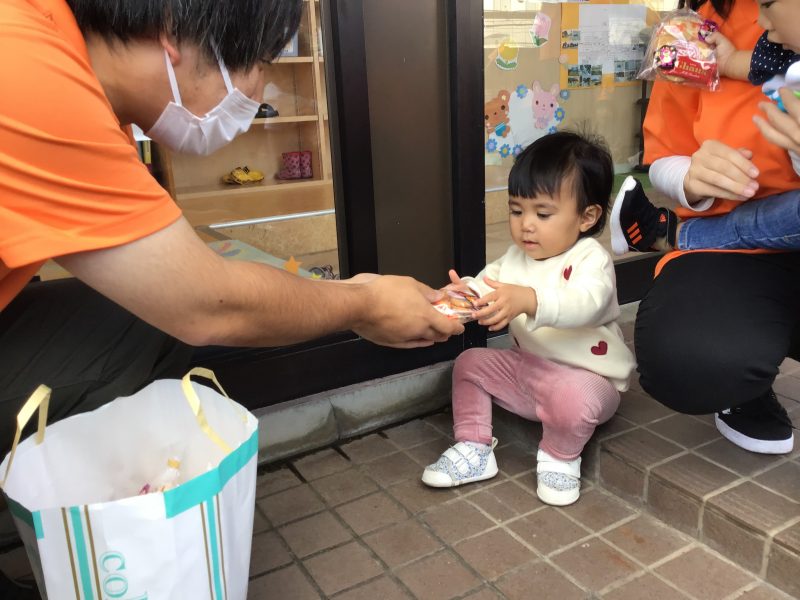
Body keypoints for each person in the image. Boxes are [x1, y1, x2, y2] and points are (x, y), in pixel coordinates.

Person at [0, 1, 463, 593]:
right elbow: (204, 302)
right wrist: (364, 304)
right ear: (174, 31)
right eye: (259, 62)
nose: (260, 89)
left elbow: (169, 277)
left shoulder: (62, 66)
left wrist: (350, 291)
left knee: (140, 319)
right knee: (165, 318)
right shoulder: (28, 73)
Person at [622, 0, 800, 456]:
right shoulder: (699, 29)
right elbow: (662, 154)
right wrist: (690, 178)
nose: (761, 22)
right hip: (737, 255)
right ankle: (741, 385)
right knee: (691, 357)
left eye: (770, 6)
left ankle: (671, 233)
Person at [420, 132, 636, 507]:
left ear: (587, 217)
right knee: (469, 363)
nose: (526, 225)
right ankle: (474, 446)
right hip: (527, 370)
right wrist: (458, 297)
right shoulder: (514, 258)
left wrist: (530, 300)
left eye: (543, 213)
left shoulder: (590, 259)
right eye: (517, 211)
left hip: (586, 379)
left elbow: (586, 302)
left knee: (575, 397)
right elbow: (485, 285)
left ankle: (559, 456)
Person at [610, 32, 799, 253]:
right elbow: (773, 62)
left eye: (769, 11)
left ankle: (675, 235)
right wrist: (687, 177)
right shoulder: (695, 35)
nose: (765, 26)